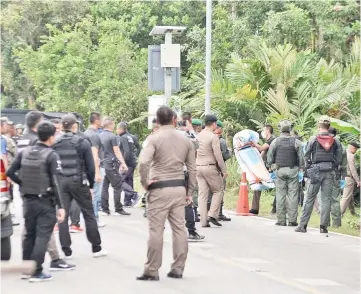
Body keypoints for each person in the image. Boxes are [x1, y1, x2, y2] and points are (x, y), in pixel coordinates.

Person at [137, 106, 196, 281]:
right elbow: (192, 169)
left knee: (156, 230)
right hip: (179, 189)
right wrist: (189, 191)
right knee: (179, 229)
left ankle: (152, 270)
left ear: (157, 120)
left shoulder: (153, 139)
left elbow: (143, 163)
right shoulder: (186, 140)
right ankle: (178, 268)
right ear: (173, 120)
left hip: (159, 188)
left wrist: (145, 183)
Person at [6, 121, 67, 282]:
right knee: (42, 236)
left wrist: (22, 184)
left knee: (29, 235)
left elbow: (10, 172)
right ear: (51, 137)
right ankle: (36, 271)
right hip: (45, 201)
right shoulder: (51, 155)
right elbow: (56, 181)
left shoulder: (24, 152)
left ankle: (26, 270)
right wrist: (61, 207)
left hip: (28, 200)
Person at [15, 111, 73, 272]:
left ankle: (46, 260)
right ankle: (43, 263)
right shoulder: (37, 141)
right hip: (40, 189)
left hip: (26, 187)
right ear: (37, 124)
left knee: (35, 228)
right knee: (40, 228)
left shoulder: (22, 139)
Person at [53, 114, 107, 259]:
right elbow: (90, 166)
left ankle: (66, 251)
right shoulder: (81, 141)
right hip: (78, 181)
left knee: (62, 215)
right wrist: (90, 184)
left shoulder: (55, 142)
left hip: (61, 182)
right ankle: (96, 248)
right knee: (88, 214)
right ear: (74, 125)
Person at [296, 116, 343, 234]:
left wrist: (310, 166)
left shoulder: (313, 139)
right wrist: (332, 165)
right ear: (329, 126)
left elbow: (306, 155)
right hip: (329, 171)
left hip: (316, 171)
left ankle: (303, 226)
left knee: (309, 198)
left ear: (319, 126)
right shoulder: (335, 140)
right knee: (326, 199)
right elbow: (339, 157)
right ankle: (323, 227)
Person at [174, 113, 205, 242]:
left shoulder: (168, 136)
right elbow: (197, 144)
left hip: (168, 174)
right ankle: (191, 232)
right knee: (187, 202)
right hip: (182, 172)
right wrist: (190, 130)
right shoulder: (187, 138)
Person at [267, 120, 304, 226]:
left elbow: (270, 155)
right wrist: (301, 167)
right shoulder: (296, 142)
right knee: (293, 195)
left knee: (280, 195)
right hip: (293, 170)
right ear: (290, 129)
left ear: (280, 129)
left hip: (280, 170)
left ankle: (281, 220)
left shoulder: (275, 141)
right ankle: (292, 221)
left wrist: (271, 166)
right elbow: (301, 157)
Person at [196, 114, 227, 228]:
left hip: (198, 167)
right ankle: (213, 214)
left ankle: (203, 221)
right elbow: (218, 155)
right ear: (214, 124)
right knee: (218, 190)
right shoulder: (213, 137)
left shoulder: (198, 135)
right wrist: (224, 170)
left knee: (202, 194)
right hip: (209, 167)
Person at [99, 118, 131, 216]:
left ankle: (105, 209)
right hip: (111, 164)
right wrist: (123, 163)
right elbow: (117, 151)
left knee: (104, 187)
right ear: (110, 125)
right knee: (117, 186)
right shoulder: (113, 136)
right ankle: (118, 209)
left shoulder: (98, 136)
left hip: (102, 164)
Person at [84, 112, 106, 227]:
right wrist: (97, 172)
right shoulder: (94, 135)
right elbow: (94, 154)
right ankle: (95, 219)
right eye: (101, 119)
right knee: (95, 195)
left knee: (89, 195)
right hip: (94, 169)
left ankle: (90, 218)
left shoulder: (84, 134)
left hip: (86, 169)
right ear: (97, 121)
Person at [207, 120, 231, 221]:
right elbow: (225, 156)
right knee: (220, 191)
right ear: (219, 128)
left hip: (208, 168)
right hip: (219, 169)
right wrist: (229, 152)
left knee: (209, 192)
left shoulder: (207, 139)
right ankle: (219, 214)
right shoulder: (221, 141)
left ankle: (208, 212)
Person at [251, 125, 276, 214]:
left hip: (272, 168)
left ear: (268, 131)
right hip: (265, 167)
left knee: (279, 188)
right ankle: (254, 208)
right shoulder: (268, 140)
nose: (262, 132)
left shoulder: (272, 140)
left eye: (264, 130)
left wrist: (253, 143)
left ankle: (275, 209)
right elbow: (262, 153)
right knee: (258, 185)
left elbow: (261, 148)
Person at [117, 122, 141, 207]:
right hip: (132, 162)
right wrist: (136, 156)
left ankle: (134, 194)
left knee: (119, 180)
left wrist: (123, 163)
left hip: (127, 162)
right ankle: (128, 202)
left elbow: (126, 151)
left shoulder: (123, 138)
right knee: (129, 180)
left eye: (117, 129)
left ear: (121, 129)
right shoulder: (132, 136)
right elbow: (139, 147)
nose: (116, 131)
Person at [4, 121, 20, 226]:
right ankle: (9, 216)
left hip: (8, 170)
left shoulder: (8, 139)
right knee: (8, 194)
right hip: (7, 170)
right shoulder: (6, 140)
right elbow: (7, 156)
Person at [340, 142, 360, 216]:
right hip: (349, 178)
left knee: (349, 196)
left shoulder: (343, 153)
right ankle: (339, 214)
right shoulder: (350, 155)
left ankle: (353, 212)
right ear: (352, 148)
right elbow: (353, 169)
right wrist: (358, 180)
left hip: (343, 177)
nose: (355, 151)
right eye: (355, 149)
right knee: (346, 197)